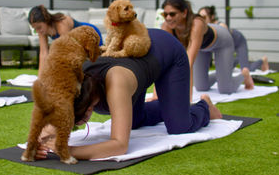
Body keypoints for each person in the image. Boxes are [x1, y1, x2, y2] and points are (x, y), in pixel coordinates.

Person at [34, 28, 222, 160]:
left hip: (166, 50)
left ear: (90, 108)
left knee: (179, 126)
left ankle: (204, 107)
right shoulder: (69, 79)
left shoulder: (116, 84)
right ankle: (174, 105)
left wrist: (70, 151)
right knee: (135, 121)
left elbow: (119, 145)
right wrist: (39, 143)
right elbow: (46, 126)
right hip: (135, 59)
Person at [161, 0, 254, 95]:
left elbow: (189, 62)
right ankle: (221, 74)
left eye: (172, 14)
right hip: (202, 47)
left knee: (225, 89)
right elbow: (164, 61)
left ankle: (244, 75)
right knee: (201, 87)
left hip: (222, 42)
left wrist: (187, 103)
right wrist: (156, 96)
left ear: (184, 13)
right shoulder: (167, 26)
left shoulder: (196, 24)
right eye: (165, 14)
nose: (168, 18)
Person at [28, 5, 103, 77]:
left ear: (46, 20)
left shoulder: (61, 23)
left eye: (39, 27)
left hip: (90, 35)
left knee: (96, 63)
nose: (38, 31)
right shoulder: (41, 31)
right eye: (35, 29)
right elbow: (43, 54)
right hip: (77, 42)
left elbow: (66, 51)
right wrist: (40, 78)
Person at [198, 6, 269, 72]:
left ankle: (263, 60)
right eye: (200, 17)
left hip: (238, 41)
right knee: (225, 69)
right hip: (228, 49)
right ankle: (239, 58)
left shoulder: (220, 26)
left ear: (212, 16)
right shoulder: (205, 29)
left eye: (204, 17)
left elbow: (225, 45)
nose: (202, 20)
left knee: (246, 69)